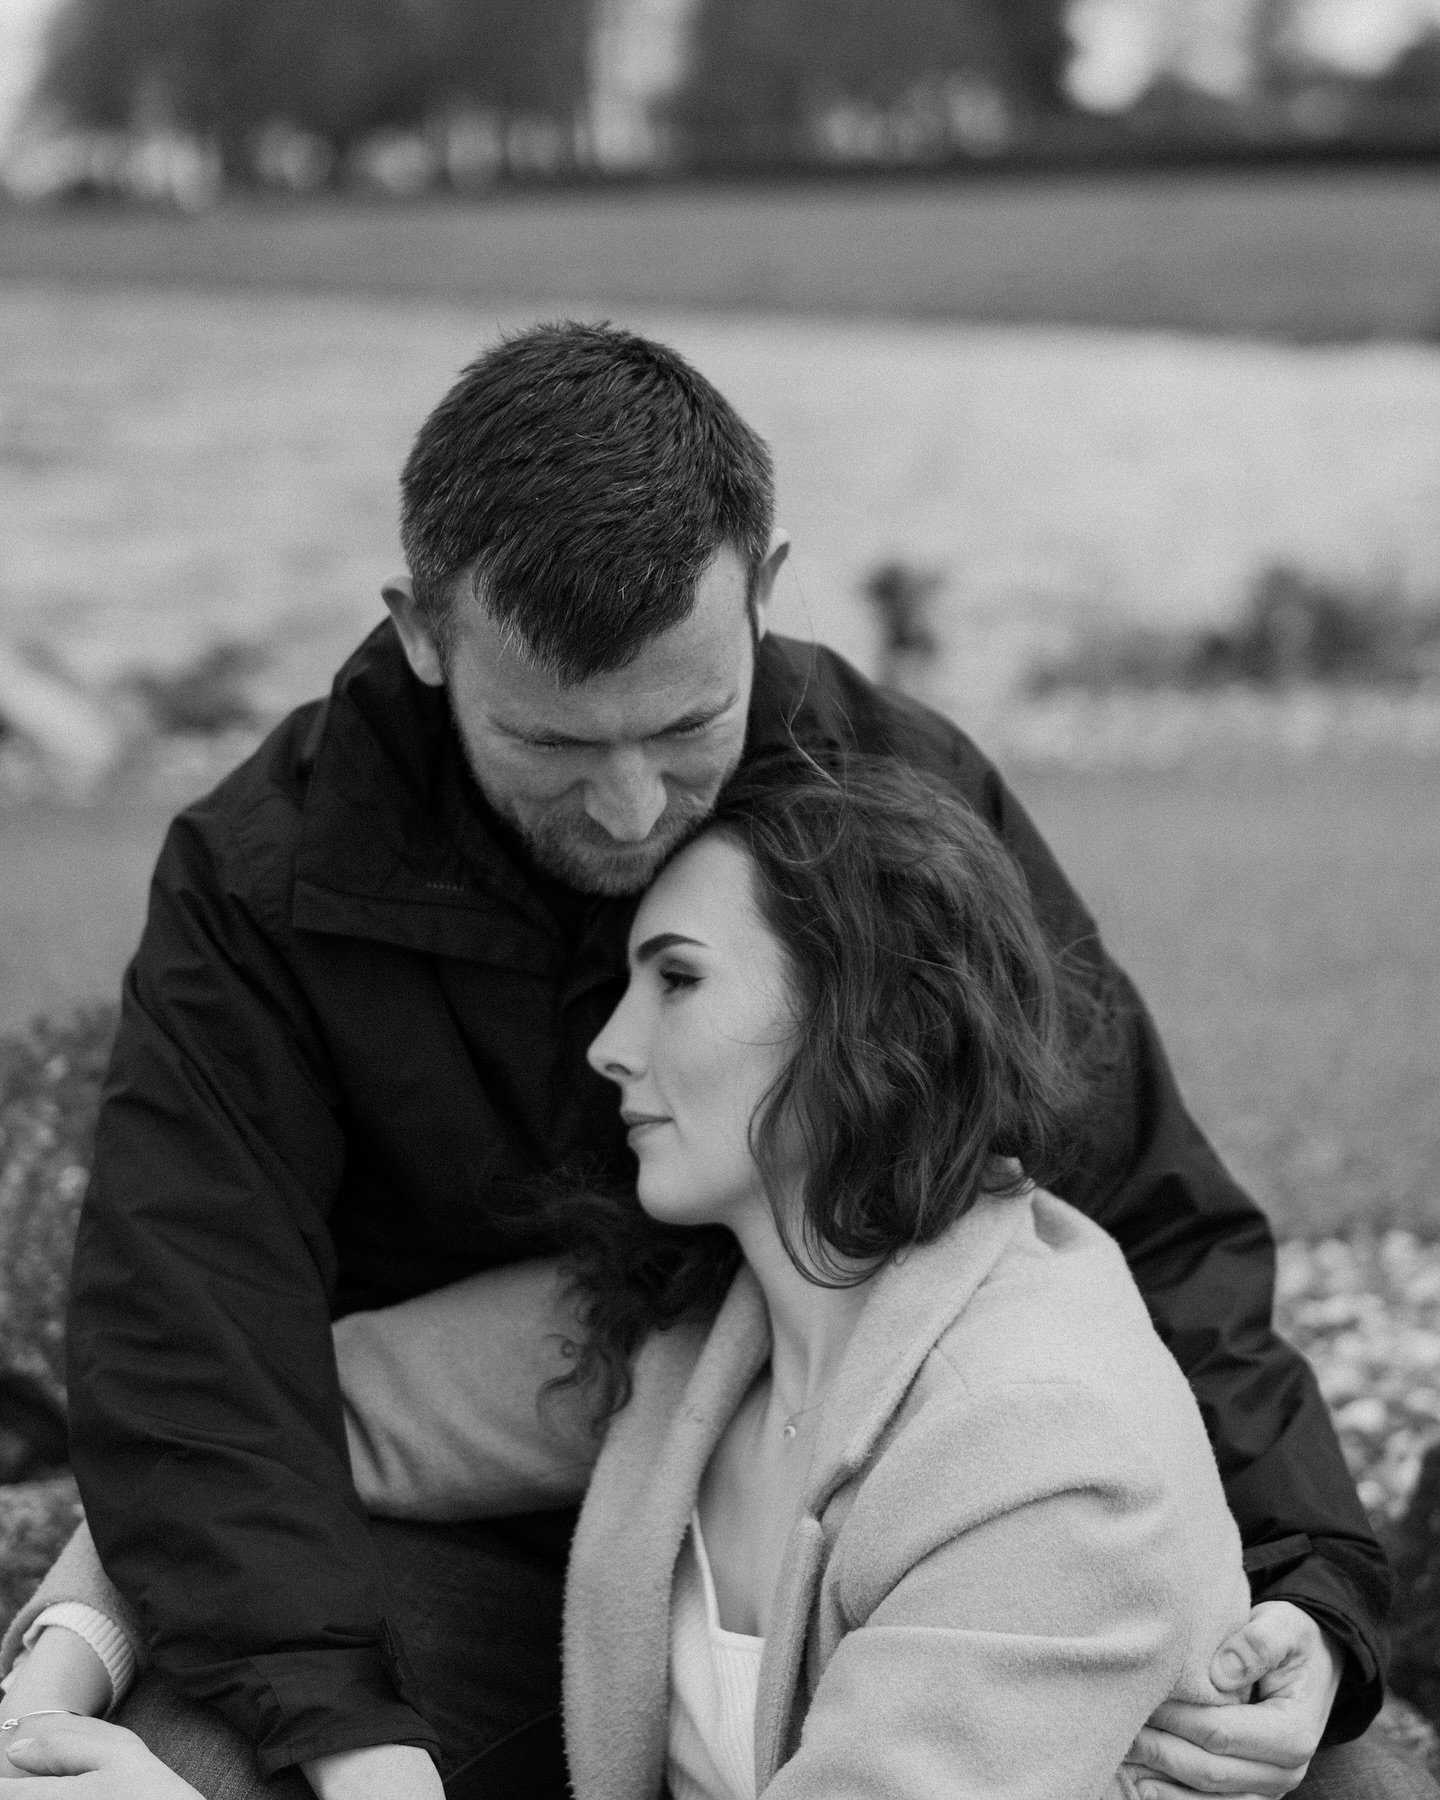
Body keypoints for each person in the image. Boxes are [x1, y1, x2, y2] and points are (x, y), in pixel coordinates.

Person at [0, 323, 1394, 1797]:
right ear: (422, 632)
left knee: (1337, 1773)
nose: (624, 807)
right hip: (472, 1532)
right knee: (194, 1762)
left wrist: (1312, 1584)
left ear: (768, 590)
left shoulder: (900, 814)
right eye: (547, 741)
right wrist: (303, 1725)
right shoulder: (259, 880)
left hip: (892, 1516)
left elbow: (1147, 1200)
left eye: (684, 727)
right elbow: (209, 1346)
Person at [0, 756, 1325, 1798]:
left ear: (860, 1016)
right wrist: (54, 1688)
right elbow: (255, 1429)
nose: (611, 1049)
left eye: (677, 980)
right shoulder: (715, 1323)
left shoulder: (1043, 1456)